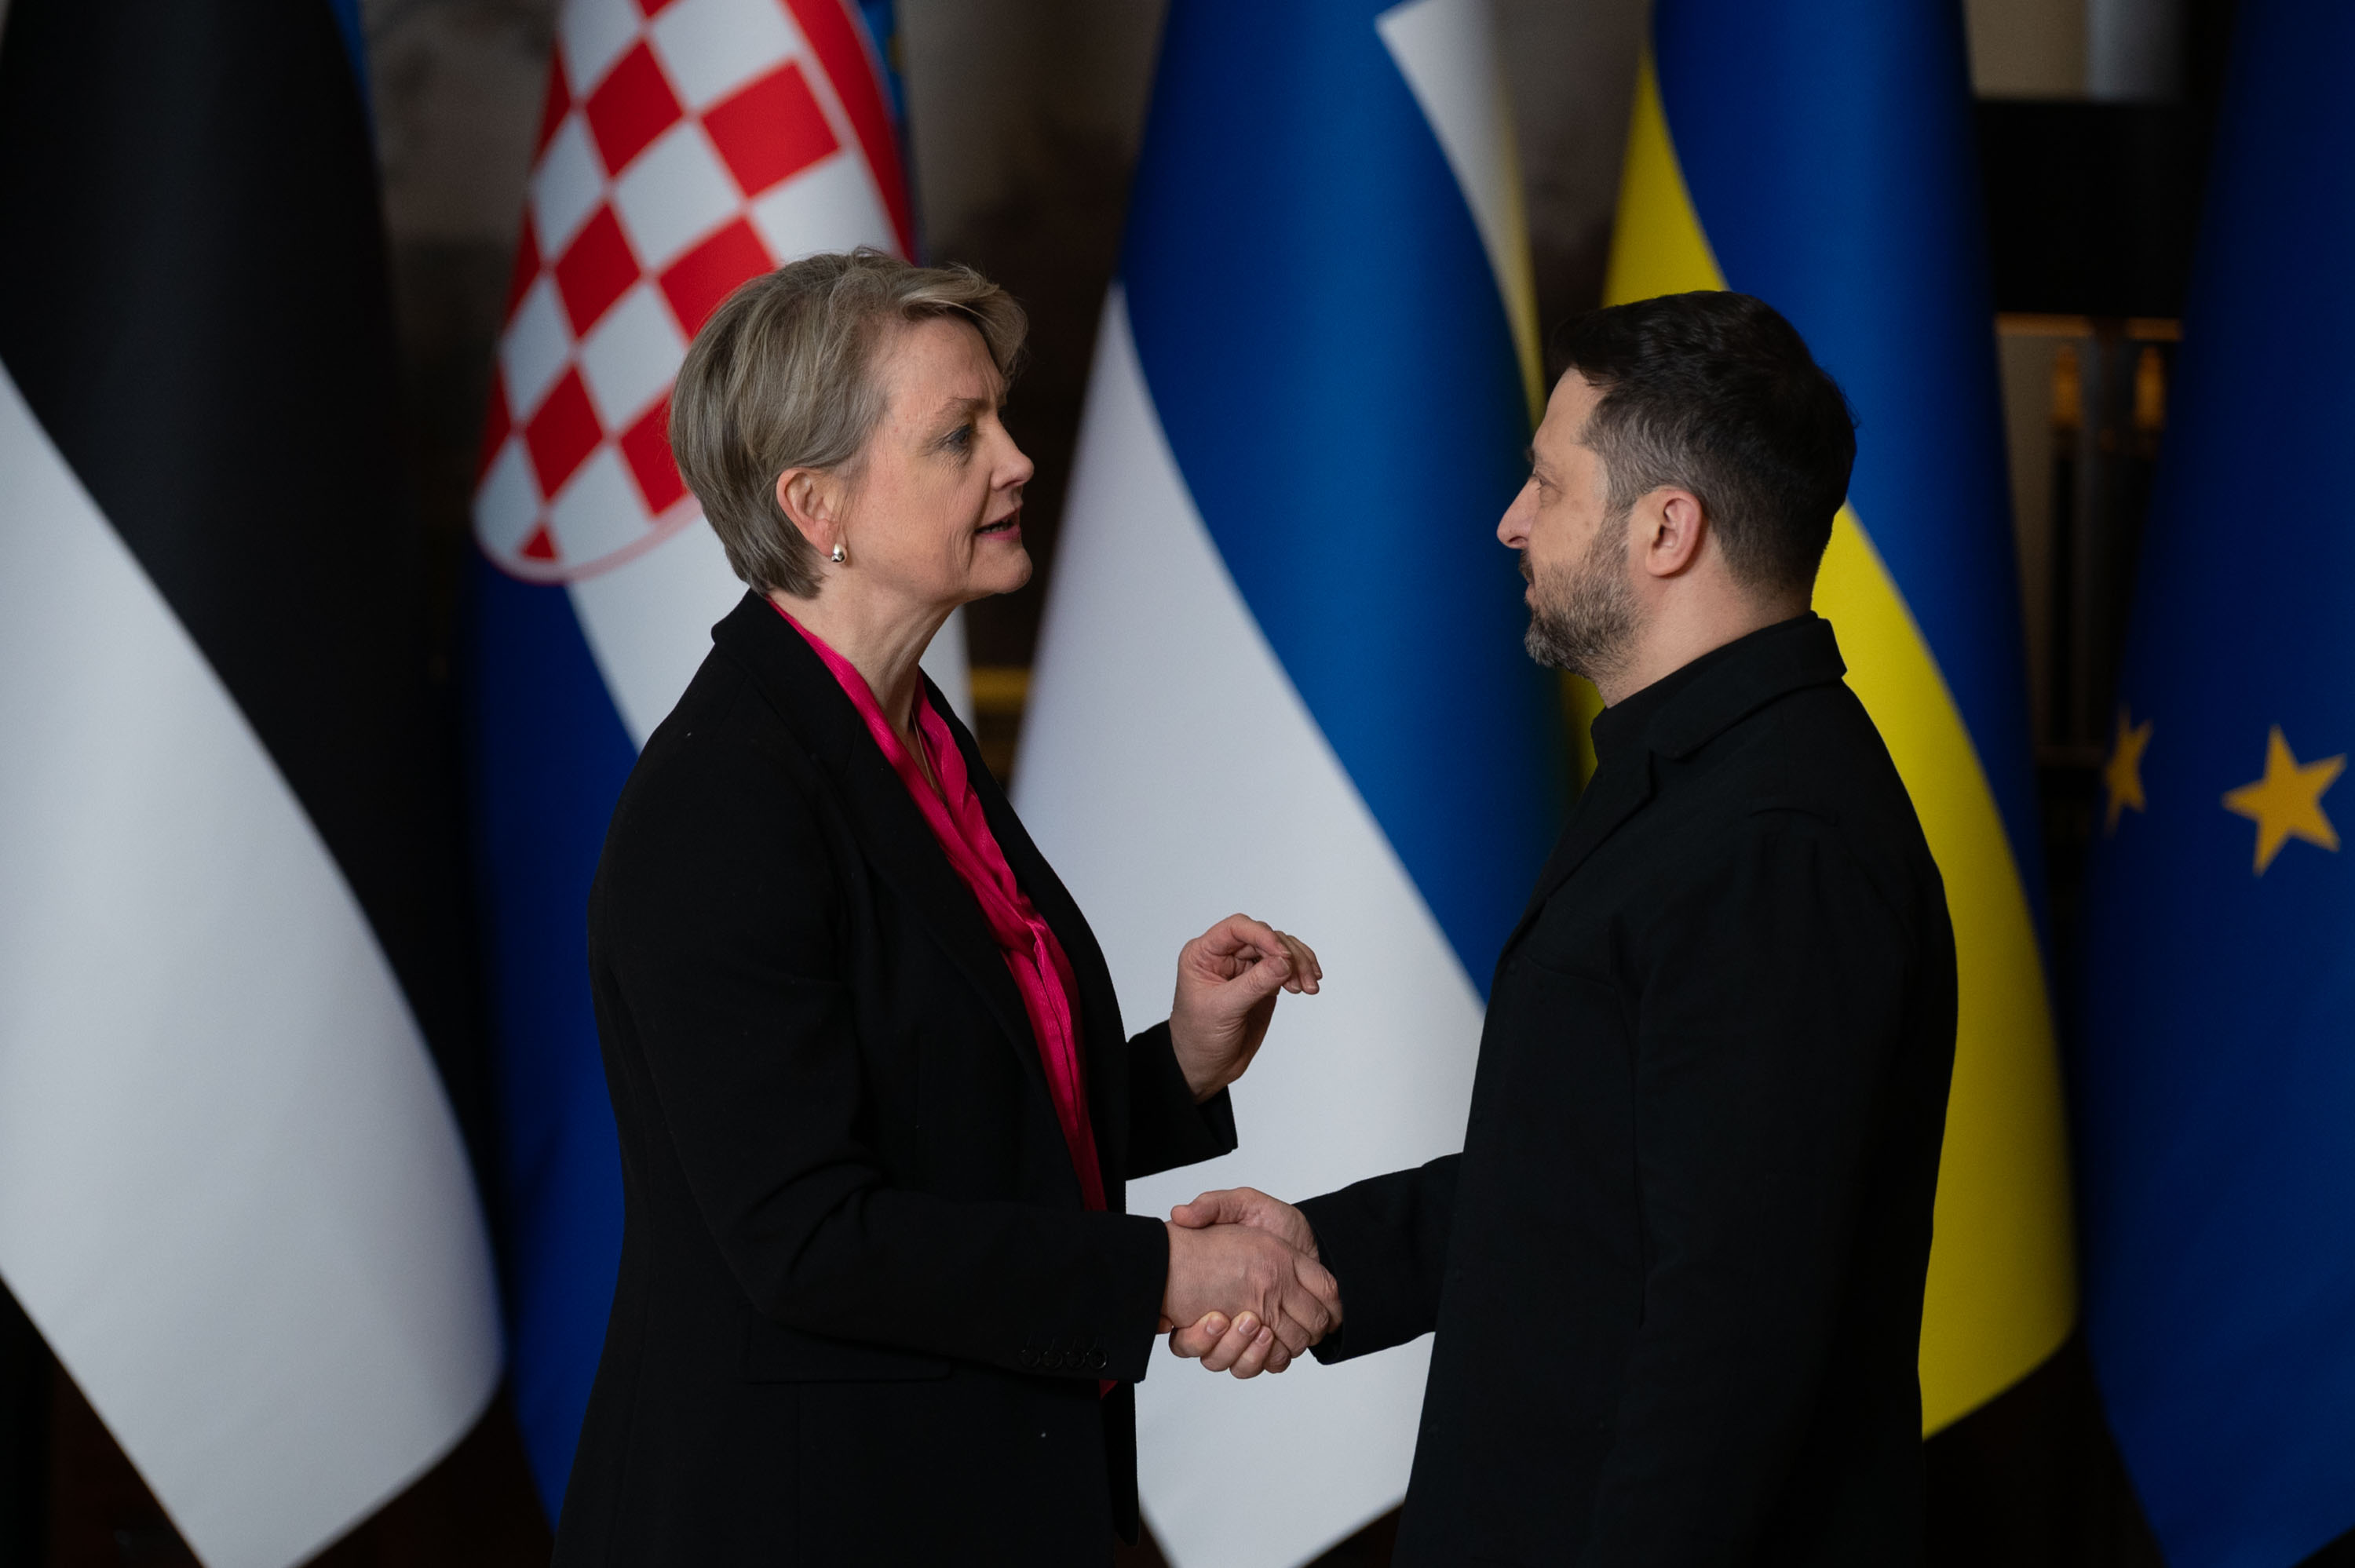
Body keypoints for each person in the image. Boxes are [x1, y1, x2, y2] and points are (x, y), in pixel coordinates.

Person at [553, 251, 1338, 1566]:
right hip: (794, 1518)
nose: (1018, 459)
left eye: (1001, 419)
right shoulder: (724, 799)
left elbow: (946, 1122)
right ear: (816, 504)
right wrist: (1158, 1274)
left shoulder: (912, 739)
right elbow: (811, 1236)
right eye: (960, 435)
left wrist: (1180, 1066)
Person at [1170, 291, 1959, 1565]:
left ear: (1666, 528)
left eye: (1547, 483)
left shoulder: (1776, 840)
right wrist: (1330, 1251)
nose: (1511, 519)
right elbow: (1603, 1186)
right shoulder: (1701, 775)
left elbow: (1730, 1338)